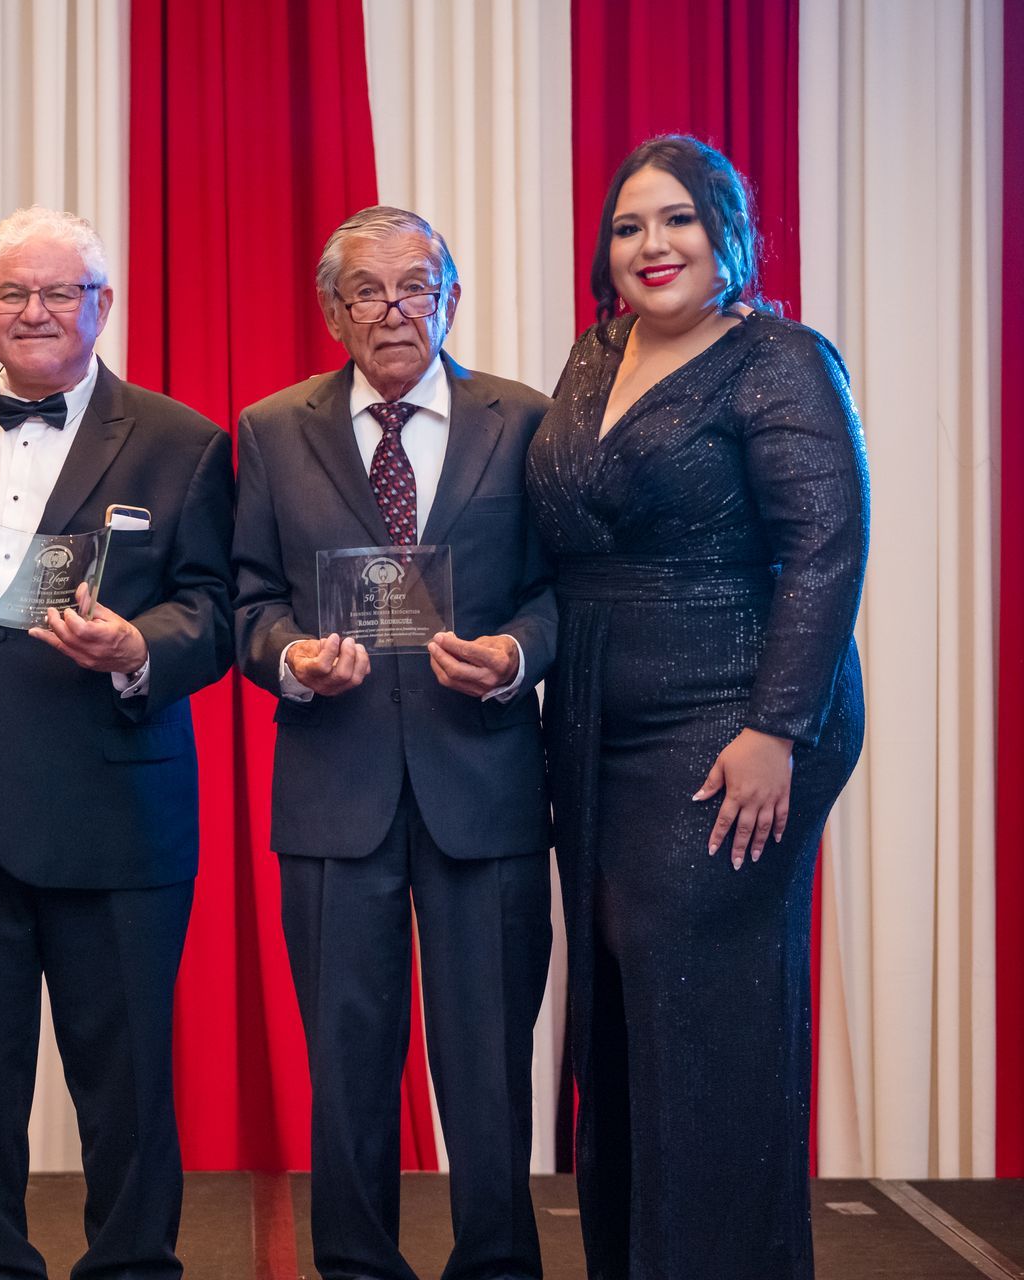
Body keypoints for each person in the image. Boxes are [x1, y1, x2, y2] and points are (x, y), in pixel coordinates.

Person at [526, 134, 868, 1279]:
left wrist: (777, 729)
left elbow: (826, 547)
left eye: (677, 218)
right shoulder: (594, 355)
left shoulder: (780, 360)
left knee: (698, 1000)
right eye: (629, 225)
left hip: (737, 719)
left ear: (728, 234)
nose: (652, 244)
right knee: (624, 1002)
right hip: (596, 726)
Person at [0, 206, 233, 1278]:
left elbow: (217, 609)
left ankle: (132, 1265)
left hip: (117, 812)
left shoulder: (182, 440)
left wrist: (139, 646)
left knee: (126, 1086)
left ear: (103, 305)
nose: (35, 311)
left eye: (59, 292)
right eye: (13, 293)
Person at [233, 206, 557, 1280]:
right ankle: (356, 1266)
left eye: (414, 286)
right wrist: (292, 657)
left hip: (485, 786)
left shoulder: (523, 419)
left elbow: (563, 591)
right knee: (348, 1066)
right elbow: (247, 600)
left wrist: (516, 653)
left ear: (450, 299)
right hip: (336, 789)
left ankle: (498, 1265)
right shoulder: (272, 429)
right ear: (333, 312)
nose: (391, 310)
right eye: (364, 291)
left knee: (489, 1065)